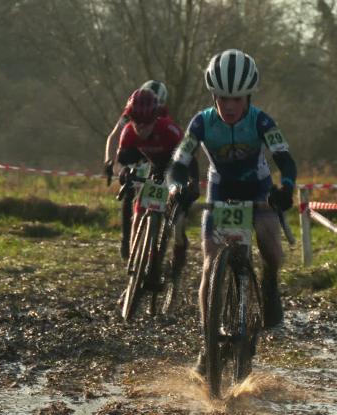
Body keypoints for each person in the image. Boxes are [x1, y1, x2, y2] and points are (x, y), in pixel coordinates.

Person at [167, 49, 297, 374]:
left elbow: (284, 157)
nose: (229, 105)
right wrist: (175, 188)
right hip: (221, 189)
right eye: (222, 97)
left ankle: (269, 283)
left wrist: (287, 187)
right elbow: (179, 160)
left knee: (271, 246)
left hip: (258, 188)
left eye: (236, 99)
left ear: (248, 97)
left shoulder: (262, 121)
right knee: (210, 265)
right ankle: (206, 342)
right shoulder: (202, 122)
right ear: (214, 95)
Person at [117, 88, 199, 314]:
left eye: (146, 122)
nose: (141, 128)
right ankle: (135, 271)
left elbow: (190, 159)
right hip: (154, 170)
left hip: (177, 169)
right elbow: (124, 158)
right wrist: (126, 171)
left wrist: (193, 184)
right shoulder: (128, 132)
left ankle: (176, 271)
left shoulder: (169, 130)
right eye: (136, 122)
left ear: (156, 118)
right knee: (138, 215)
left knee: (178, 225)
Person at [104, 80, 169, 259]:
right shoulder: (130, 112)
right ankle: (127, 241)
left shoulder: (161, 114)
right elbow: (114, 135)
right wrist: (109, 161)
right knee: (130, 190)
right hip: (134, 149)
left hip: (155, 150)